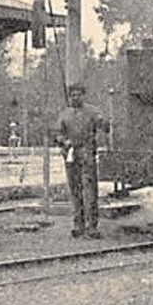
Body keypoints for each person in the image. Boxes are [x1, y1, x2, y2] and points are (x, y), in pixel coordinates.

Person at [55, 82, 109, 239]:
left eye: (78, 94)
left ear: (83, 95)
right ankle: (78, 225)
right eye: (72, 95)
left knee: (90, 191)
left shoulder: (92, 111)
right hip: (71, 155)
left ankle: (92, 226)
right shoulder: (64, 114)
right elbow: (57, 132)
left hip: (87, 154)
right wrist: (63, 141)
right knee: (75, 191)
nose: (75, 97)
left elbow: (105, 127)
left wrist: (103, 122)